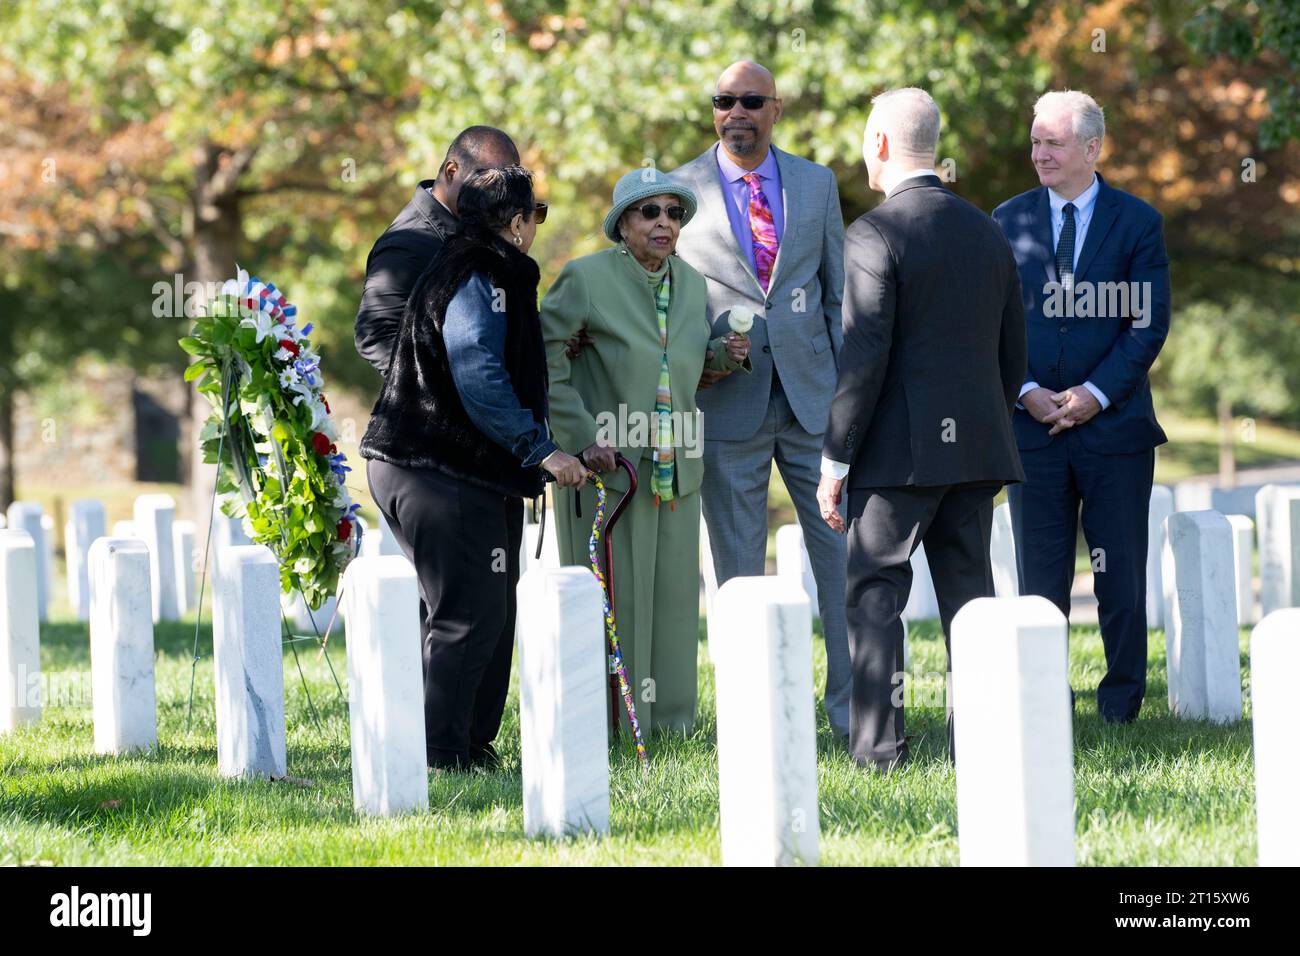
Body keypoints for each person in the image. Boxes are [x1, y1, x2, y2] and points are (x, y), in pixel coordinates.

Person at [816, 88, 1027, 772]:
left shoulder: (874, 233)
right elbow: (1012, 354)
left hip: (899, 457)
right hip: (977, 448)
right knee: (971, 596)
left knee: (875, 591)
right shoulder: (989, 230)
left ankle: (879, 750)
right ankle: (988, 740)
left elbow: (863, 358)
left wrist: (835, 461)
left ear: (879, 145)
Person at [359, 166, 587, 771]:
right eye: (536, 214)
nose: (537, 225)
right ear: (514, 222)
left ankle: (468, 746)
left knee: (480, 610)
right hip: (437, 467)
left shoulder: (468, 263)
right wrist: (539, 450)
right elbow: (477, 370)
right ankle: (440, 756)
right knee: (467, 615)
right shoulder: (483, 271)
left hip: (438, 466)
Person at [670, 60, 852, 739]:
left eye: (750, 100)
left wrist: (846, 402)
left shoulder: (817, 183)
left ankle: (853, 715)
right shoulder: (678, 191)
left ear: (776, 107)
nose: (735, 112)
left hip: (814, 404)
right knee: (737, 569)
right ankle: (751, 724)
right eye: (723, 100)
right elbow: (666, 302)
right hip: (726, 404)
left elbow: (836, 299)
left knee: (841, 562)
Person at [541, 168, 750, 734]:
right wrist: (582, 439)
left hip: (675, 470)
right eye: (649, 212)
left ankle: (672, 728)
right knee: (616, 601)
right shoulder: (584, 278)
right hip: (609, 472)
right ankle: (609, 726)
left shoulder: (691, 283)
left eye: (673, 213)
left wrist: (726, 355)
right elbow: (546, 363)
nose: (664, 222)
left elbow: (681, 371)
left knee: (675, 603)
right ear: (622, 225)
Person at [993, 90, 1171, 723]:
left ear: (1092, 149)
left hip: (1115, 432)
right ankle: (1043, 703)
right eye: (1036, 141)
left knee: (1119, 578)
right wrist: (1025, 390)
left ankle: (1122, 705)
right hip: (1031, 430)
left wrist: (1094, 396)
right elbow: (991, 323)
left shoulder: (1137, 222)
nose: (1039, 153)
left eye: (1053, 143)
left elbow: (1146, 326)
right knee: (1039, 581)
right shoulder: (1005, 221)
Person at [354, 126, 520, 377]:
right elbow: (375, 335)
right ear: (452, 171)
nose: (499, 195)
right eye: (487, 181)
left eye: (505, 185)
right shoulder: (407, 242)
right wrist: (451, 397)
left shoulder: (480, 229)